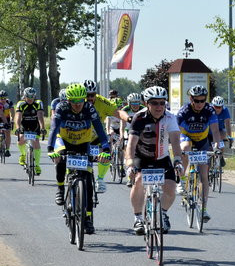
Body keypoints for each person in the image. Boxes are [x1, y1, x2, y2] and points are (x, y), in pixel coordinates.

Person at [47, 83, 110, 235]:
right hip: (65, 140)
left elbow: (100, 129)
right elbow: (54, 127)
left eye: (80, 101)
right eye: (73, 102)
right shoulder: (62, 108)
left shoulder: (89, 108)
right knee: (60, 158)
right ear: (68, 101)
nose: (77, 105)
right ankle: (60, 189)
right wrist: (50, 149)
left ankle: (87, 218)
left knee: (88, 179)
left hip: (83, 143)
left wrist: (106, 148)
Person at [125, 86, 184, 235]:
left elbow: (176, 141)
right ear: (147, 104)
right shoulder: (139, 118)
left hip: (161, 158)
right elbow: (131, 144)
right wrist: (130, 164)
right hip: (142, 157)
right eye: (155, 103)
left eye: (162, 103)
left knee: (171, 188)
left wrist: (178, 161)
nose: (159, 106)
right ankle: (138, 217)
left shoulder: (170, 117)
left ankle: (163, 213)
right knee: (138, 180)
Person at [176, 85, 223, 222]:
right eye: (196, 101)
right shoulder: (184, 111)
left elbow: (215, 131)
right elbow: (176, 131)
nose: (199, 104)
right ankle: (183, 180)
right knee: (185, 148)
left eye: (202, 101)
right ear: (191, 99)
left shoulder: (209, 110)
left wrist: (217, 146)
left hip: (202, 140)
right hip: (187, 137)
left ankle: (203, 210)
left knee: (204, 177)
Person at [84, 80, 124, 193]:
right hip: (81, 137)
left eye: (92, 95)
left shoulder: (103, 102)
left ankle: (100, 180)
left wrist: (130, 119)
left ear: (96, 94)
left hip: (97, 136)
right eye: (87, 95)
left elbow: (118, 112)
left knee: (106, 155)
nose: (89, 98)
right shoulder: (77, 102)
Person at [14, 87, 46, 173]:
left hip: (35, 125)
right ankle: (23, 155)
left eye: (32, 97)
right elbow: (18, 117)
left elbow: (40, 117)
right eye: (28, 97)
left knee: (36, 142)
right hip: (24, 124)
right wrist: (17, 128)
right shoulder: (21, 104)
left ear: (34, 96)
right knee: (21, 139)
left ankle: (37, 165)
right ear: (24, 96)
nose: (30, 99)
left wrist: (42, 128)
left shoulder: (38, 103)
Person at [210, 95, 230, 166]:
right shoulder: (209, 110)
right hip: (208, 131)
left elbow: (227, 123)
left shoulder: (225, 111)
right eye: (216, 107)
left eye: (219, 107)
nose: (217, 109)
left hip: (220, 130)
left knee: (221, 137)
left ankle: (221, 156)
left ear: (222, 106)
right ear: (212, 106)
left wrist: (229, 136)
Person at [0, 90, 13, 157]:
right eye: (1, 98)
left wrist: (12, 120)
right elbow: (1, 114)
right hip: (0, 118)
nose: (3, 100)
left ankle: (7, 150)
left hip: (7, 118)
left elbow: (11, 112)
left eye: (4, 98)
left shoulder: (9, 102)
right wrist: (5, 123)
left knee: (8, 133)